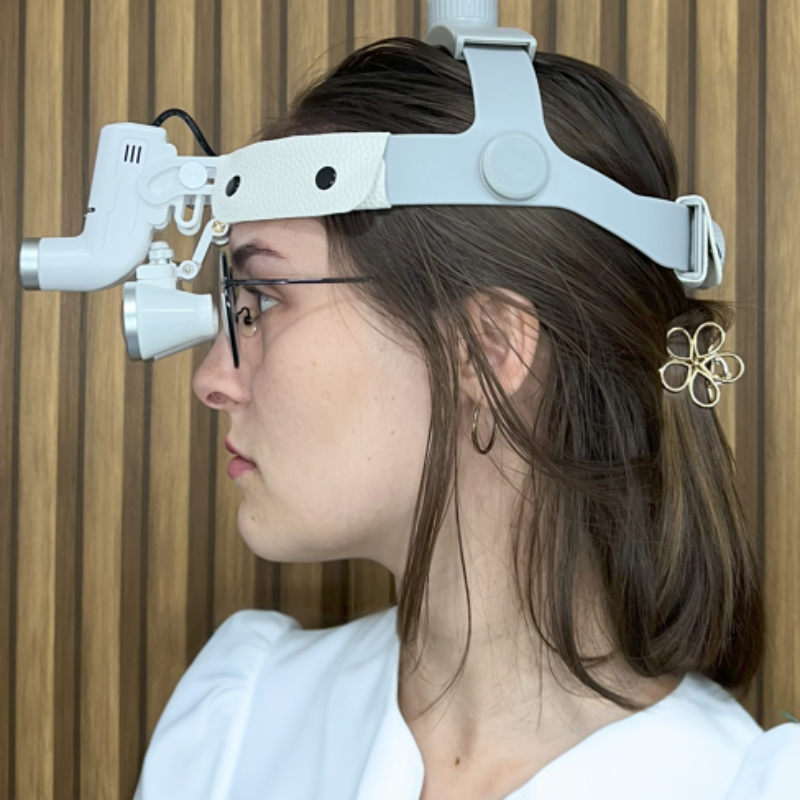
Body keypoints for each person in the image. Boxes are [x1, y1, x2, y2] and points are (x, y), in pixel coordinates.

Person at [133, 37, 799, 800]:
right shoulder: (240, 724)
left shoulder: (740, 786)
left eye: (261, 303)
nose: (211, 381)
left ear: (486, 347)